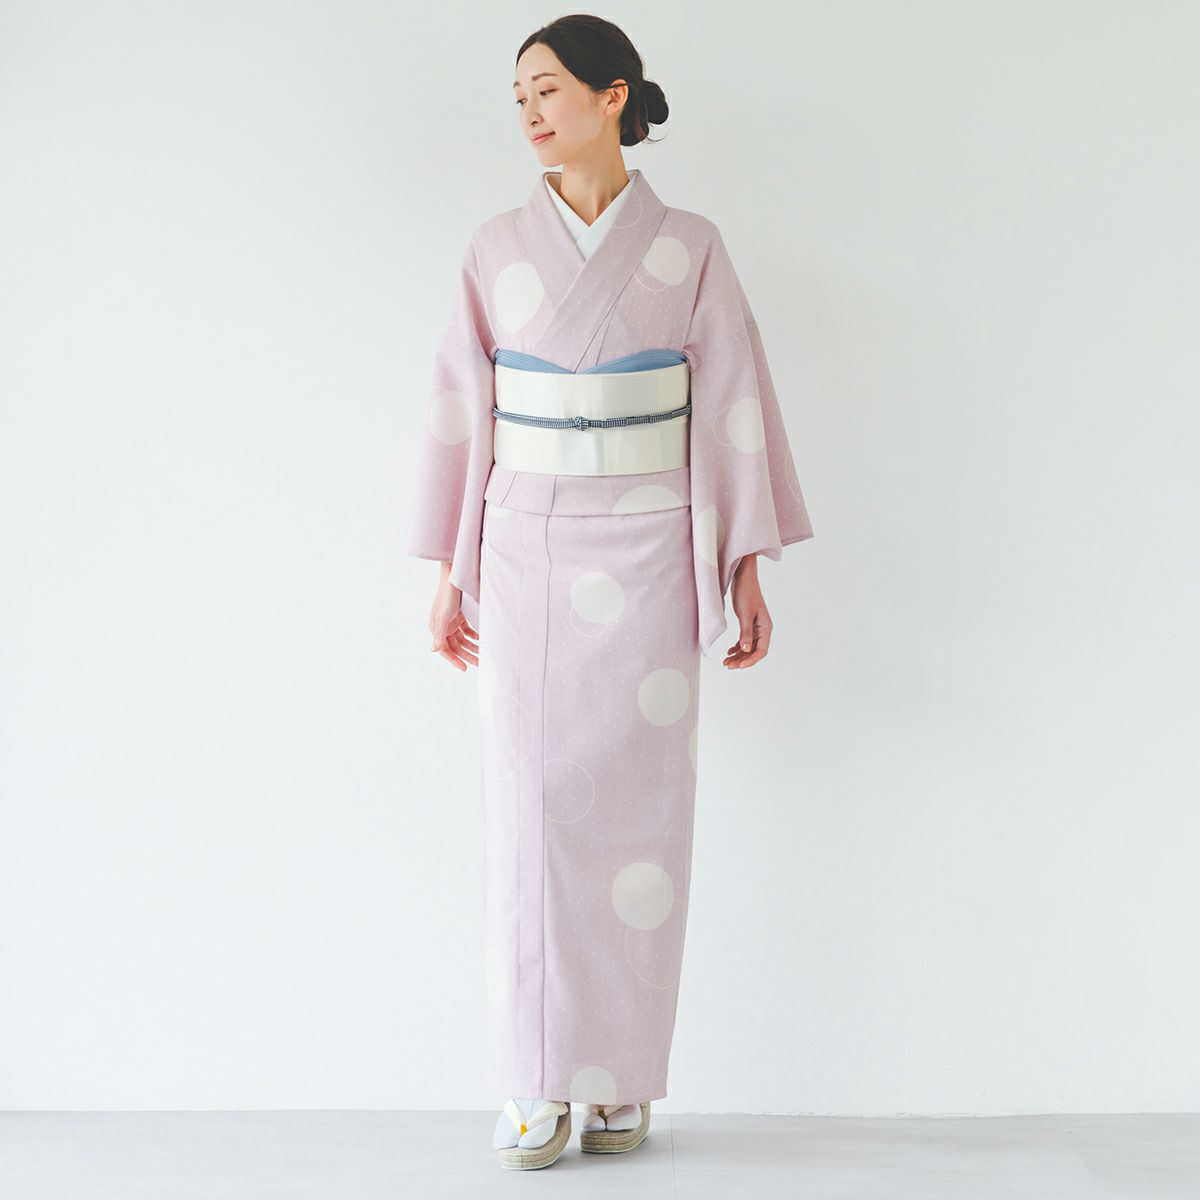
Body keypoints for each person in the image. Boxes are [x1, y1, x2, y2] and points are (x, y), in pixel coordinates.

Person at [406, 14, 815, 1171]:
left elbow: (733, 404)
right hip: (525, 551)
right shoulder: (495, 248)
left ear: (613, 96)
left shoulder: (690, 247)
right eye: (519, 96)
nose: (530, 112)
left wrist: (743, 565)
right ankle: (535, 1079)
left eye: (547, 89)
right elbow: (461, 410)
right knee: (529, 814)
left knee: (642, 818)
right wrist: (449, 573)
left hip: (650, 550)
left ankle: (622, 1079)